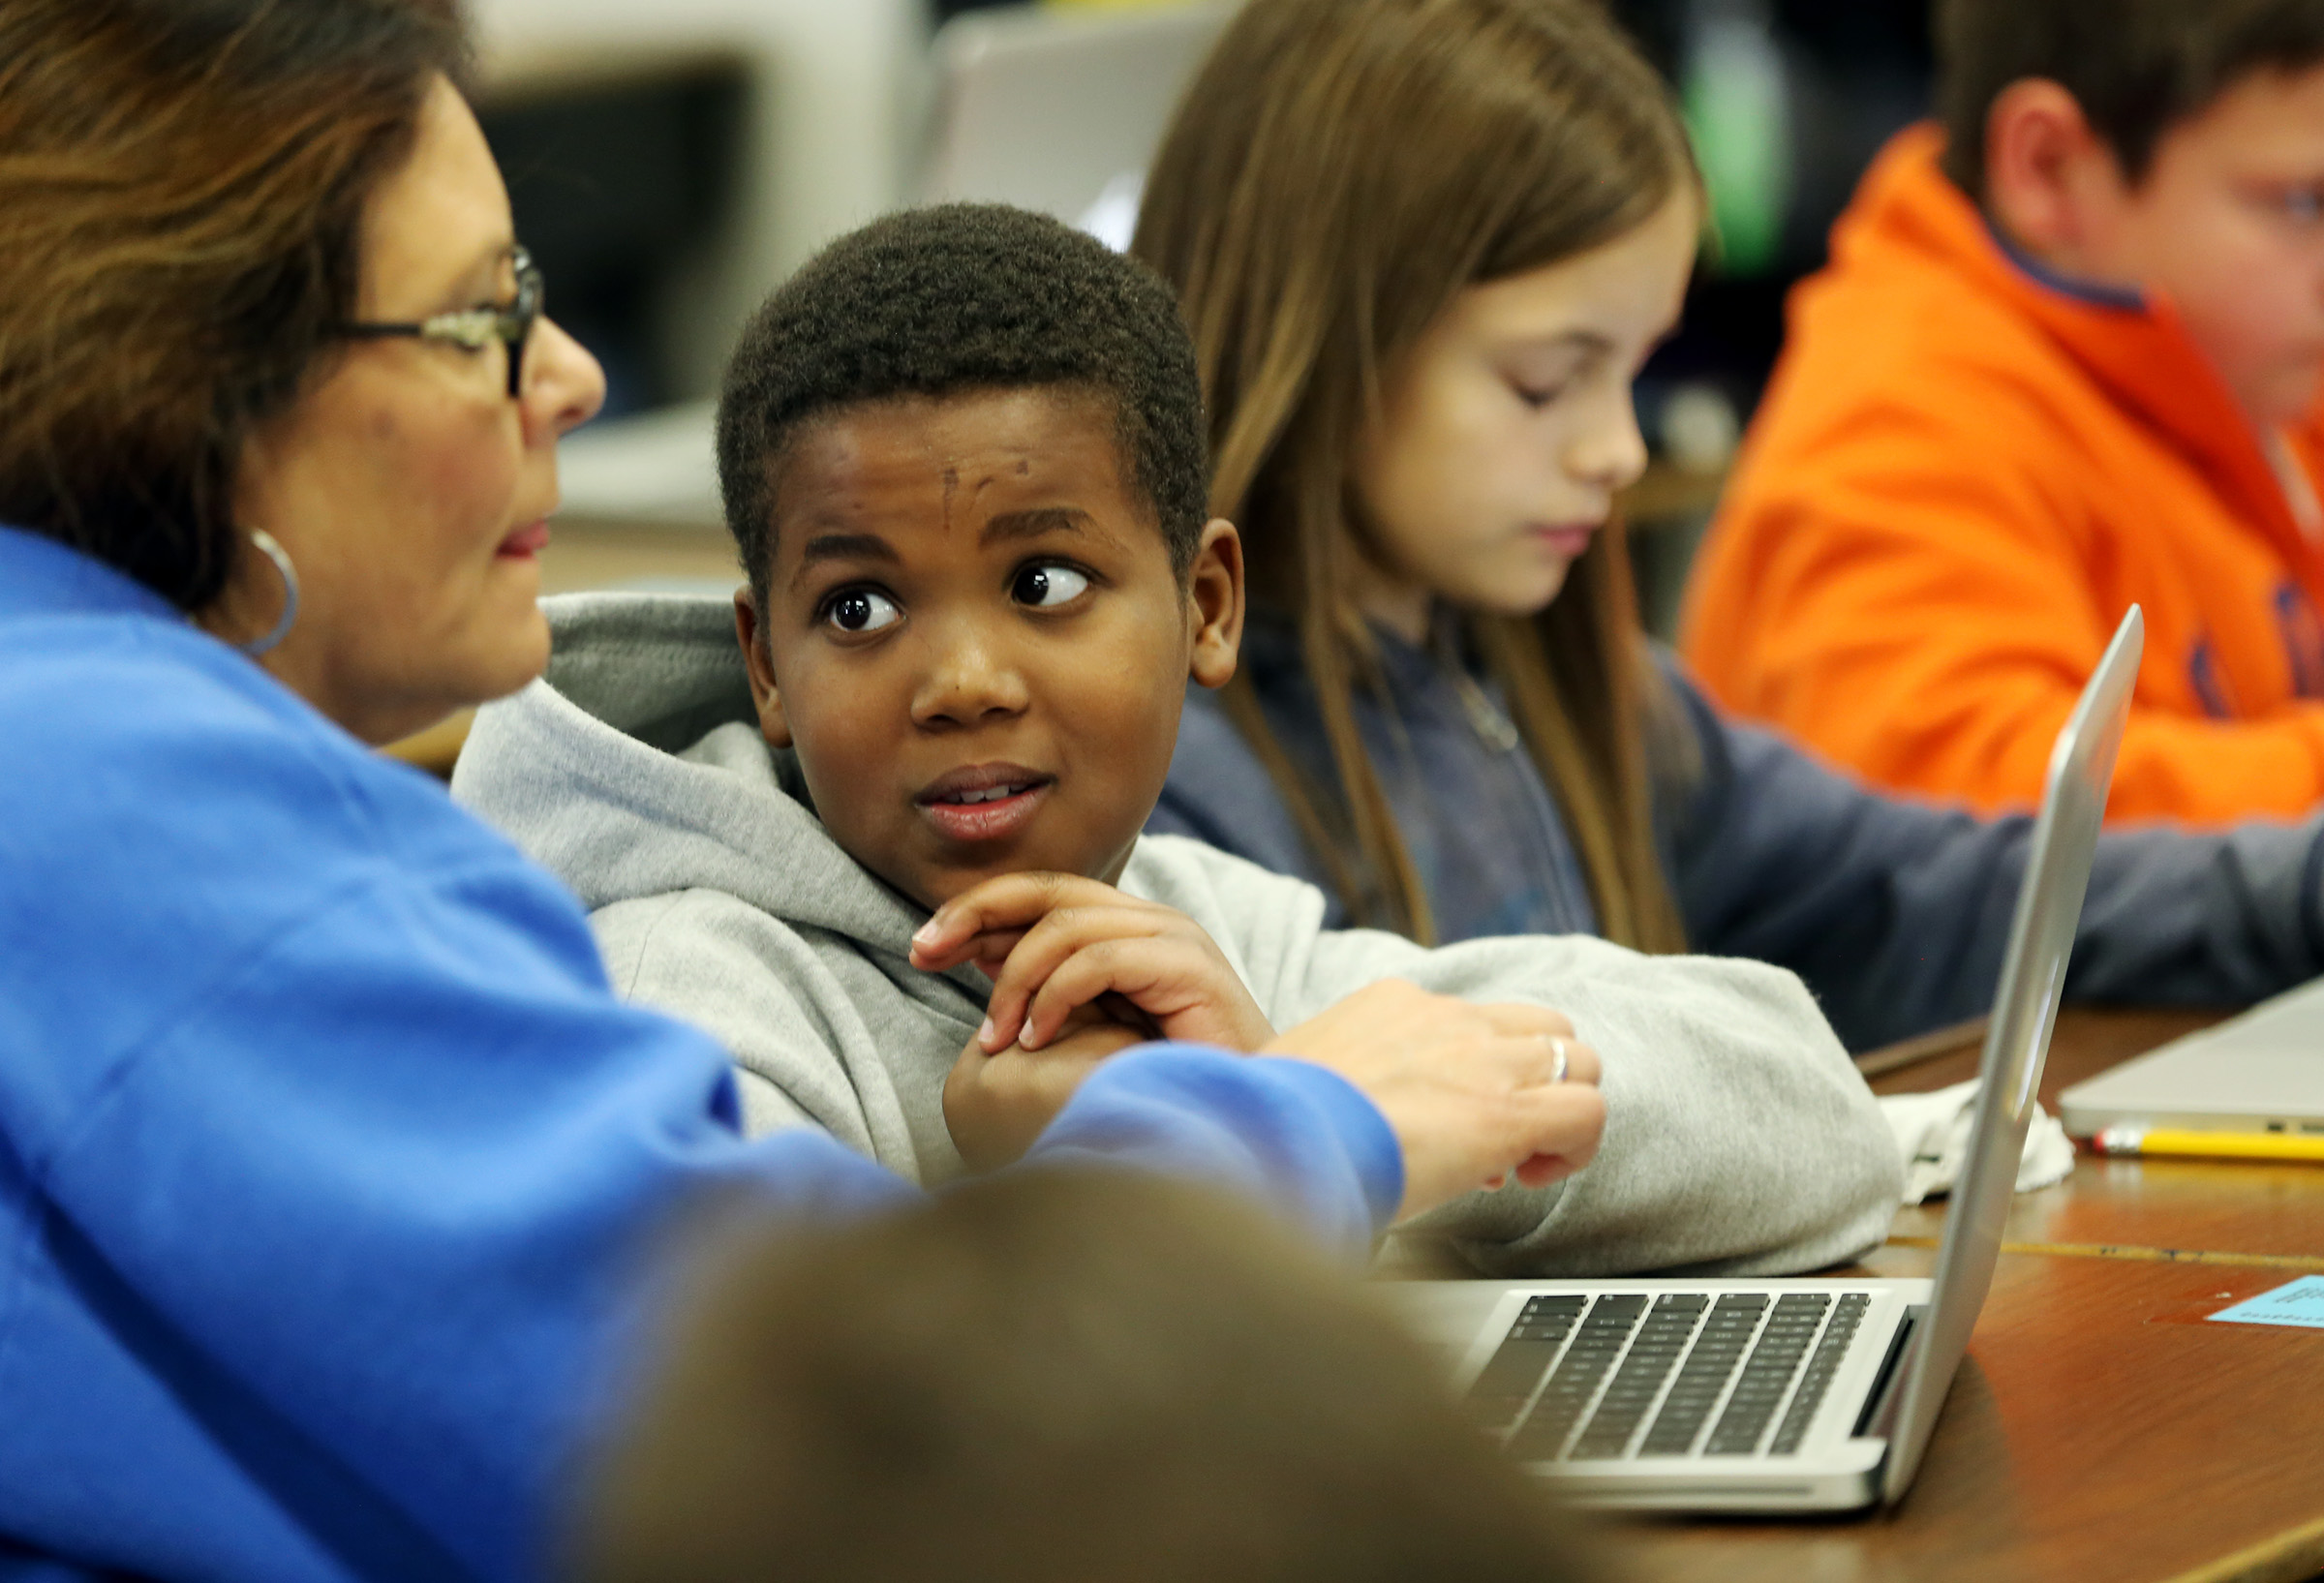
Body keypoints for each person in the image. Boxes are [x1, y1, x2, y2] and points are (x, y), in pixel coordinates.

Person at [0, 3, 1638, 1577]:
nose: (565, 374)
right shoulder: (127, 814)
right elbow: (870, 1476)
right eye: (478, 321)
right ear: (204, 384)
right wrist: (1310, 1119)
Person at [451, 201, 1903, 1278]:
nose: (960, 678)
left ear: (1206, 604)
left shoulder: (1181, 927)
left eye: (1044, 584)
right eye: (861, 605)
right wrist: (1234, 1149)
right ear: (766, 664)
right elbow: (825, 1459)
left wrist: (1283, 1083)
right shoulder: (686, 998)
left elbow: (1808, 1114)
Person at [1127, 0, 2324, 1055]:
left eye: (1633, 372)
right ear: (1325, 348)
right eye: (1547, 381)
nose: (1620, 450)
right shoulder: (1151, 781)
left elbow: (1937, 893)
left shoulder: (1593, 700)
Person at [1682, 0, 2324, 824]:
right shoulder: (1898, 427)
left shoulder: (2254, 351)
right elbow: (1972, 839)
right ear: (2047, 167)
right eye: (2302, 205)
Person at [571, 1170, 1604, 1583]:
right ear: (766, 688)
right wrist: (1316, 1119)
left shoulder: (1198, 900)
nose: (967, 690)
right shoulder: (697, 979)